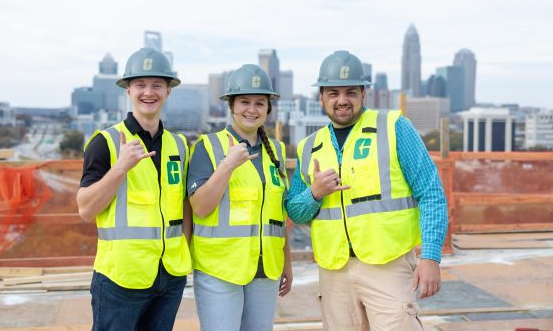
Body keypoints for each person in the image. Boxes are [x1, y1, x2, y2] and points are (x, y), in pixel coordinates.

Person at [286, 51, 448, 331]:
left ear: (363, 94)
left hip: (388, 264)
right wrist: (315, 192)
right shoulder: (309, 146)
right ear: (321, 97)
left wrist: (431, 257)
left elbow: (431, 191)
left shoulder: (394, 127)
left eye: (350, 92)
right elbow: (296, 212)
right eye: (333, 93)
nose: (342, 100)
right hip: (334, 270)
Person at [77, 48, 191, 331]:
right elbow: (85, 209)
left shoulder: (179, 145)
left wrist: (184, 253)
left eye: (156, 85)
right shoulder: (105, 142)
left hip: (170, 275)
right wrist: (120, 168)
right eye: (140, 85)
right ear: (128, 90)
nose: (148, 92)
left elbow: (184, 206)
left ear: (168, 91)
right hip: (121, 278)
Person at [187, 64, 292, 331]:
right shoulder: (208, 147)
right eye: (244, 102)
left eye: (260, 103)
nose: (251, 109)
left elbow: (277, 215)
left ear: (268, 109)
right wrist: (227, 166)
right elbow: (199, 207)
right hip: (220, 270)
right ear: (231, 106)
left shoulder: (276, 151)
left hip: (265, 270)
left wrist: (286, 264)